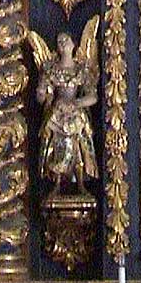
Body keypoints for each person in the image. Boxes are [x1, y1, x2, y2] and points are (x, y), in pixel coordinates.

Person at [36, 32, 99, 197]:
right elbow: (42, 98)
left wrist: (76, 104)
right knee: (56, 144)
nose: (63, 43)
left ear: (74, 44)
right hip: (57, 113)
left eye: (66, 40)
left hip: (75, 112)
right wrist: (42, 91)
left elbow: (93, 97)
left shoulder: (81, 70)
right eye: (59, 41)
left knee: (78, 145)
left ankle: (80, 183)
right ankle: (56, 183)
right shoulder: (51, 70)